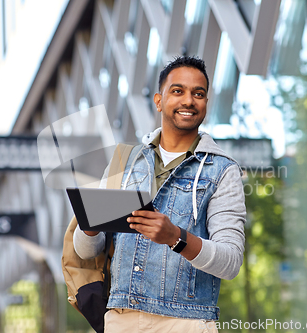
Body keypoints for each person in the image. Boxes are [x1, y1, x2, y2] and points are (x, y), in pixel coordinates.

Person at [74, 56, 246, 333]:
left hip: (186, 321)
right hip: (122, 317)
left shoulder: (223, 171)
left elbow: (231, 262)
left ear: (205, 102)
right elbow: (85, 251)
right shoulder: (123, 161)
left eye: (198, 94)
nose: (189, 101)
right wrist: (90, 227)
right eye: (178, 91)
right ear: (158, 100)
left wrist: (176, 238)